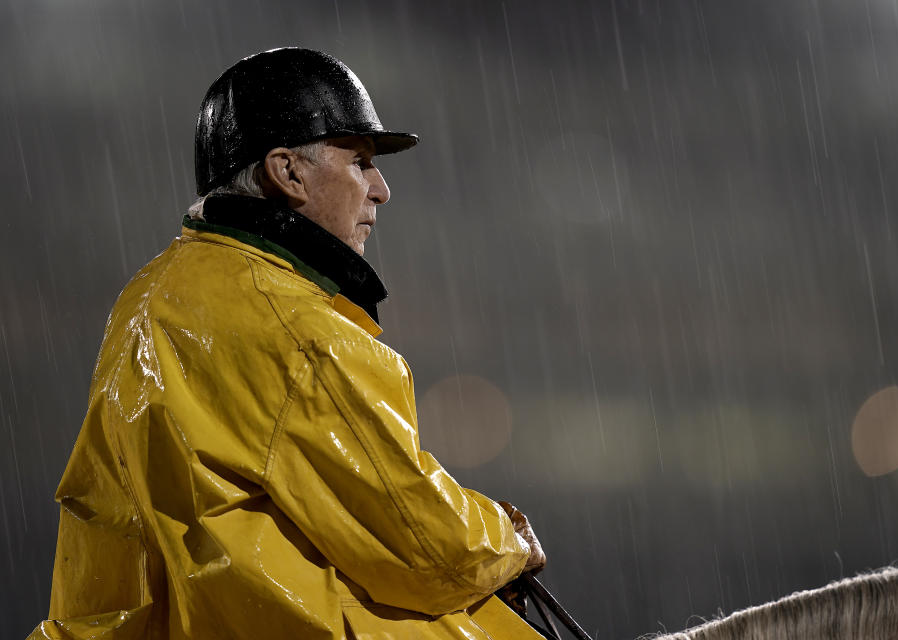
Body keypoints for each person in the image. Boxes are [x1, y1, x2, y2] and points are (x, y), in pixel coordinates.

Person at [28, 47, 546, 640]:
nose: (380, 190)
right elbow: (427, 551)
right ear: (288, 172)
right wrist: (506, 538)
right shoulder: (300, 331)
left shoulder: (149, 295)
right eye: (359, 161)